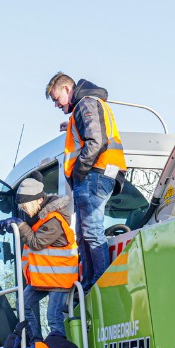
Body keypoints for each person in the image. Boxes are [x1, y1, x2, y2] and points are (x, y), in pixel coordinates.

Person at [45, 72, 125, 289]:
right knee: (84, 234)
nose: (56, 104)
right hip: (98, 173)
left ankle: (100, 284)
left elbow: (95, 141)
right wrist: (70, 125)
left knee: (90, 231)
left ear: (67, 89)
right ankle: (91, 285)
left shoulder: (86, 105)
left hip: (94, 174)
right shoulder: (85, 107)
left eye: (56, 98)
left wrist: (79, 172)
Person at [0, 173, 78, 337]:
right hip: (46, 277)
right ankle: (37, 343)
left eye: (26, 205)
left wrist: (20, 224)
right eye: (21, 207)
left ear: (39, 200)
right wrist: (12, 222)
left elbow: (37, 242)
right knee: (23, 304)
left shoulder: (55, 220)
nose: (23, 209)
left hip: (60, 279)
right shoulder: (39, 218)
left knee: (53, 317)